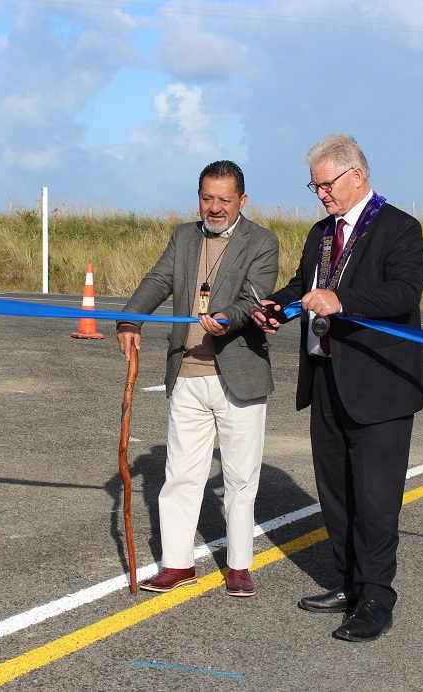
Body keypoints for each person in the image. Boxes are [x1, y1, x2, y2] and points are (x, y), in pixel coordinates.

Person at [252, 134, 423, 642]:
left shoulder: (400, 228)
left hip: (380, 385)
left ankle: (377, 598)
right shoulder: (321, 233)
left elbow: (403, 293)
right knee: (335, 495)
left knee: (376, 498)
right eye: (314, 187)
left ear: (356, 175)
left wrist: (342, 300)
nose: (320, 195)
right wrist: (276, 309)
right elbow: (303, 288)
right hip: (326, 378)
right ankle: (350, 583)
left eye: (326, 185)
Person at [117, 160, 279, 598]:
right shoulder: (183, 237)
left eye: (225, 199)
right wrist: (129, 322)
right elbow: (158, 279)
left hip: (238, 375)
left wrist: (230, 318)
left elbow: (255, 298)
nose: (215, 207)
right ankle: (177, 564)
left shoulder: (263, 242)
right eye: (207, 197)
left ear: (242, 200)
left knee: (240, 478)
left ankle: (239, 566)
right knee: (180, 475)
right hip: (186, 372)